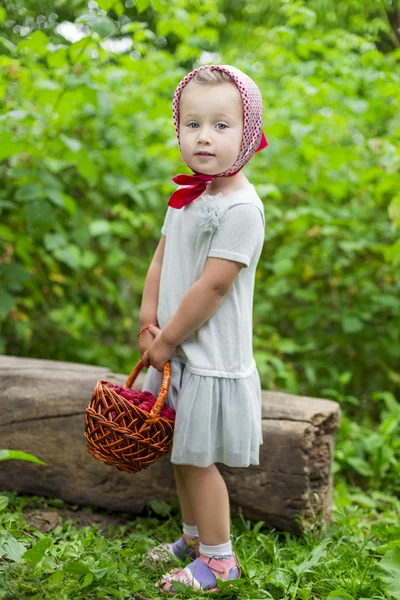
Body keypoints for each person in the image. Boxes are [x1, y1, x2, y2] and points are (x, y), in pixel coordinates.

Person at [137, 64, 268, 594]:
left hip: (209, 355)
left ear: (249, 135)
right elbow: (161, 261)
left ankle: (219, 560)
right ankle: (193, 539)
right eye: (192, 125)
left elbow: (212, 289)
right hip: (177, 352)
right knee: (180, 453)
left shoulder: (241, 208)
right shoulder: (189, 197)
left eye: (220, 125)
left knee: (198, 461)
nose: (204, 136)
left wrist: (168, 339)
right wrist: (149, 318)